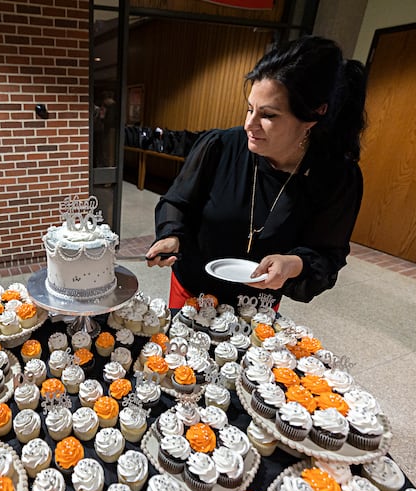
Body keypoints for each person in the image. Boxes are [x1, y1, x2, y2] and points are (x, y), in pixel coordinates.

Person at [146, 36, 367, 310]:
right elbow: (177, 202)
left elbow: (327, 254)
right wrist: (171, 234)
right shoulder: (221, 146)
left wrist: (294, 264)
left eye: (268, 115)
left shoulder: (336, 176)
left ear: (314, 115)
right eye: (250, 109)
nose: (249, 125)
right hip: (193, 287)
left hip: (258, 304)